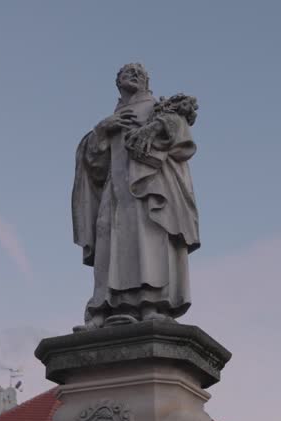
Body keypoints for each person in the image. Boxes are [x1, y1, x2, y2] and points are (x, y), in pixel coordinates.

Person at [72, 63, 200, 330]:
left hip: (149, 189)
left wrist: (155, 127)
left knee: (148, 243)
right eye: (127, 72)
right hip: (114, 193)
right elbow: (94, 167)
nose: (134, 74)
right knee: (110, 246)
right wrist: (100, 131)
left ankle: (150, 305)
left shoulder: (158, 108)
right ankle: (105, 309)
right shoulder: (112, 119)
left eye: (139, 73)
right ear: (117, 82)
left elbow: (181, 138)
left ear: (146, 82)